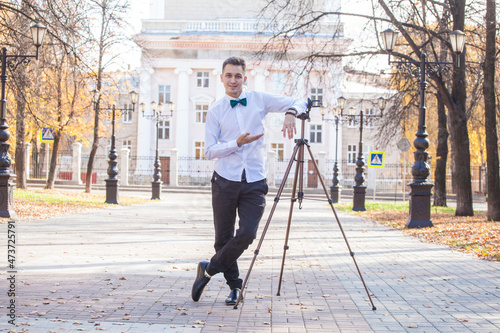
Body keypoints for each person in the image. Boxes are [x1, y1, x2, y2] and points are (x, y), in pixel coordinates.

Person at [191, 56, 307, 305]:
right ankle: (235, 287)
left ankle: (208, 269)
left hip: (254, 180)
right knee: (223, 239)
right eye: (229, 75)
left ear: (245, 78)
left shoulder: (259, 100)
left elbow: (300, 100)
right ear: (221, 78)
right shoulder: (215, 111)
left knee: (247, 234)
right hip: (224, 180)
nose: (233, 80)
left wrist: (290, 113)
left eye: (238, 75)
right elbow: (209, 150)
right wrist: (236, 144)